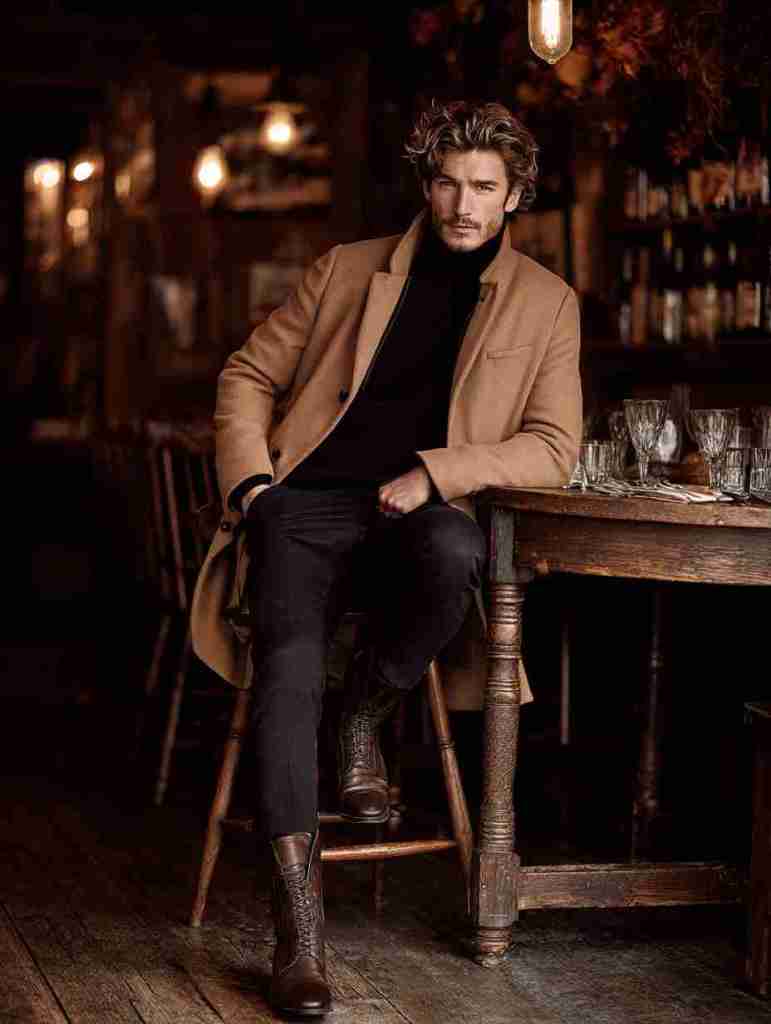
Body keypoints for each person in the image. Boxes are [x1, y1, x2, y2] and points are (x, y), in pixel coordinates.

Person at [191, 98, 582, 1018]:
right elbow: (246, 375)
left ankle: (364, 708)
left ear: (514, 195)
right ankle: (299, 936)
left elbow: (552, 447)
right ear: (426, 184)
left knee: (455, 547)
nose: (461, 205)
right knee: (286, 667)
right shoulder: (346, 270)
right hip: (304, 508)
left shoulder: (546, 302)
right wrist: (254, 488)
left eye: (483, 187)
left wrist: (437, 474)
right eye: (446, 183)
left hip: (417, 513)